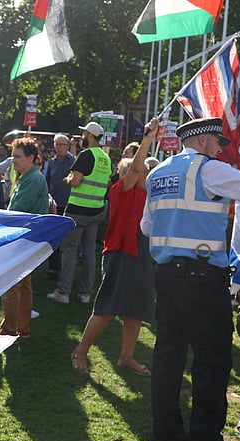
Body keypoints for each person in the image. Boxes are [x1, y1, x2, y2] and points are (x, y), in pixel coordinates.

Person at [141, 117, 240, 441]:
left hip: (166, 275)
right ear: (202, 141)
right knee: (212, 360)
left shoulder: (159, 173)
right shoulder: (209, 170)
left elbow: (146, 226)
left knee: (169, 354)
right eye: (218, 143)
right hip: (202, 278)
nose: (220, 150)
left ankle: (166, 431)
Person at [70, 118, 159, 376]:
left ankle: (126, 357)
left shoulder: (146, 194)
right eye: (143, 171)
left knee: (137, 309)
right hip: (121, 252)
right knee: (107, 307)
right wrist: (148, 139)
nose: (146, 174)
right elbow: (134, 169)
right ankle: (80, 351)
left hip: (142, 253)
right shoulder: (122, 189)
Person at [46, 121, 110, 305]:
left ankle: (63, 292)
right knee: (89, 253)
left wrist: (68, 179)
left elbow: (76, 181)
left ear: (89, 136)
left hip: (77, 211)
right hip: (96, 210)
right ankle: (86, 294)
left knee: (69, 251)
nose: (82, 137)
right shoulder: (105, 158)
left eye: (84, 134)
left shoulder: (85, 155)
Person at [0, 138, 50, 338]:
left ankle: (9, 331)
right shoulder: (28, 176)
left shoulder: (33, 178)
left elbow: (18, 211)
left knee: (10, 284)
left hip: (23, 239)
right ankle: (22, 328)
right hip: (27, 239)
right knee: (23, 284)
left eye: (17, 156)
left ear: (31, 158)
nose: (13, 160)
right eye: (12, 155)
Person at [42, 134, 75, 277]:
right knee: (53, 237)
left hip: (68, 205)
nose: (59, 147)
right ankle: (53, 268)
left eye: (62, 144)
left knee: (67, 240)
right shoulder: (52, 162)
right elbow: (47, 181)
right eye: (57, 144)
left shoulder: (73, 161)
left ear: (67, 146)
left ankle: (65, 270)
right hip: (53, 205)